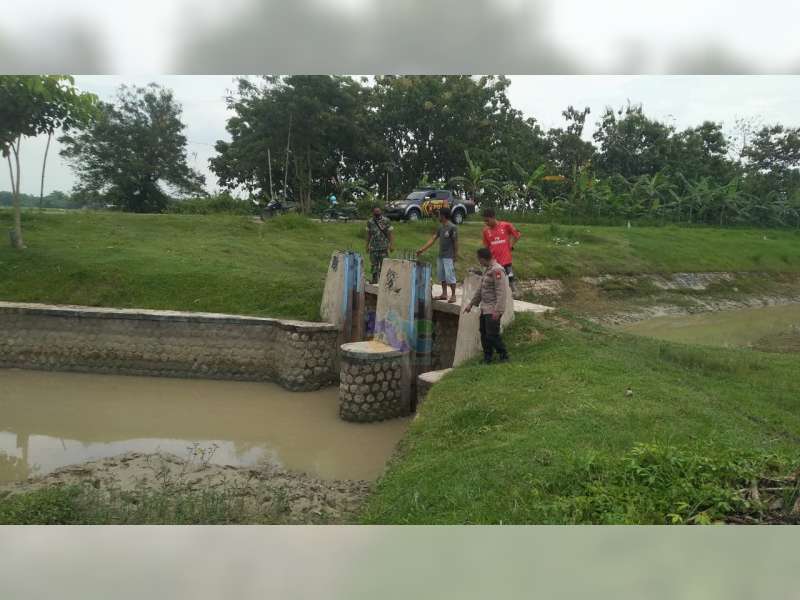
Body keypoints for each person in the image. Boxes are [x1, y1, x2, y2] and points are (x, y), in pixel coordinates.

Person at [464, 247, 509, 364]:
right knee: (483, 333)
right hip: (484, 308)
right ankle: (487, 357)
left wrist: (498, 310)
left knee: (492, 335)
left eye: (479, 259)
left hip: (493, 309)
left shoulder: (497, 270)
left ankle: (504, 355)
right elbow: (480, 290)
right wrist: (471, 304)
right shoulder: (487, 270)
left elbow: (501, 292)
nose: (478, 262)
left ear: (483, 259)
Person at [415, 207, 459, 303]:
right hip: (441, 256)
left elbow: (455, 242)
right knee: (441, 275)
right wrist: (422, 249)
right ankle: (444, 294)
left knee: (450, 276)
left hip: (449, 256)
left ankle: (454, 295)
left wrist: (455, 256)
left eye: (439, 214)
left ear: (443, 215)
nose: (438, 216)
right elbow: (433, 239)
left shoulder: (452, 227)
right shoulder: (441, 227)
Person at [481, 208, 521, 292]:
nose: (486, 223)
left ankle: (515, 294)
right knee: (496, 281)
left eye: (487, 220)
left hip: (506, 260)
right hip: (494, 262)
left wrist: (511, 245)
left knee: (510, 278)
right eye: (485, 221)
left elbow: (517, 235)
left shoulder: (506, 225)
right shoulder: (486, 231)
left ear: (493, 217)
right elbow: (487, 247)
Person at [366, 206, 395, 284]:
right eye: (375, 212)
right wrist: (367, 245)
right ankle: (374, 280)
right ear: (373, 212)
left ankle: (384, 281)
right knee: (374, 265)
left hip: (383, 247)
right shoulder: (370, 222)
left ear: (381, 212)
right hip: (373, 247)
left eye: (378, 211)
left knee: (384, 265)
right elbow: (368, 234)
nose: (377, 213)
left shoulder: (386, 221)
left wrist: (391, 245)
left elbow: (390, 233)